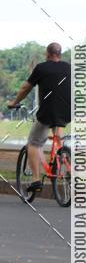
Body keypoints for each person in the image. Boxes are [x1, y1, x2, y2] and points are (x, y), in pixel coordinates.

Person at [8, 43, 71, 199]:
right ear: (60, 54)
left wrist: (14, 102)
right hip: (66, 112)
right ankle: (61, 157)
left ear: (47, 53)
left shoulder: (41, 68)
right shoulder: (69, 68)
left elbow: (25, 88)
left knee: (34, 143)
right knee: (57, 136)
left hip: (47, 112)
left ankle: (36, 180)